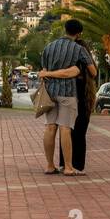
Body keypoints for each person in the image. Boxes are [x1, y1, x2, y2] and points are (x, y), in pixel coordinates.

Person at [38, 19, 94, 177]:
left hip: (50, 93)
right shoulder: (78, 48)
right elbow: (93, 71)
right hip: (68, 93)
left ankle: (50, 165)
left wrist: (49, 74)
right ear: (79, 33)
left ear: (65, 29)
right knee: (65, 128)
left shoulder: (49, 47)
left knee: (50, 127)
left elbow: (43, 69)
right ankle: (68, 167)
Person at [58, 31, 97, 173]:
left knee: (66, 131)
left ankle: (64, 163)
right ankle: (78, 165)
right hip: (83, 98)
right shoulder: (86, 69)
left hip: (67, 96)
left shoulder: (68, 63)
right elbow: (94, 72)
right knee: (80, 133)